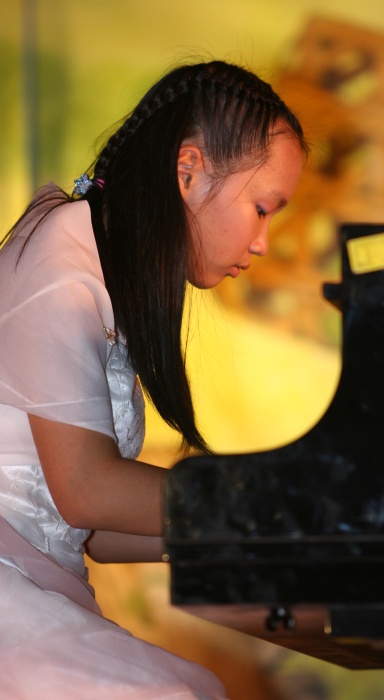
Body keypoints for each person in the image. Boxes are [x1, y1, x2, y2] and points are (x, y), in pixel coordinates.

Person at [0, 60, 305, 698]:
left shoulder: (103, 268)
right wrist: (265, 509)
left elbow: (100, 534)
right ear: (188, 171)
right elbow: (86, 490)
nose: (263, 242)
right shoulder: (63, 259)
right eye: (261, 208)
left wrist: (254, 542)